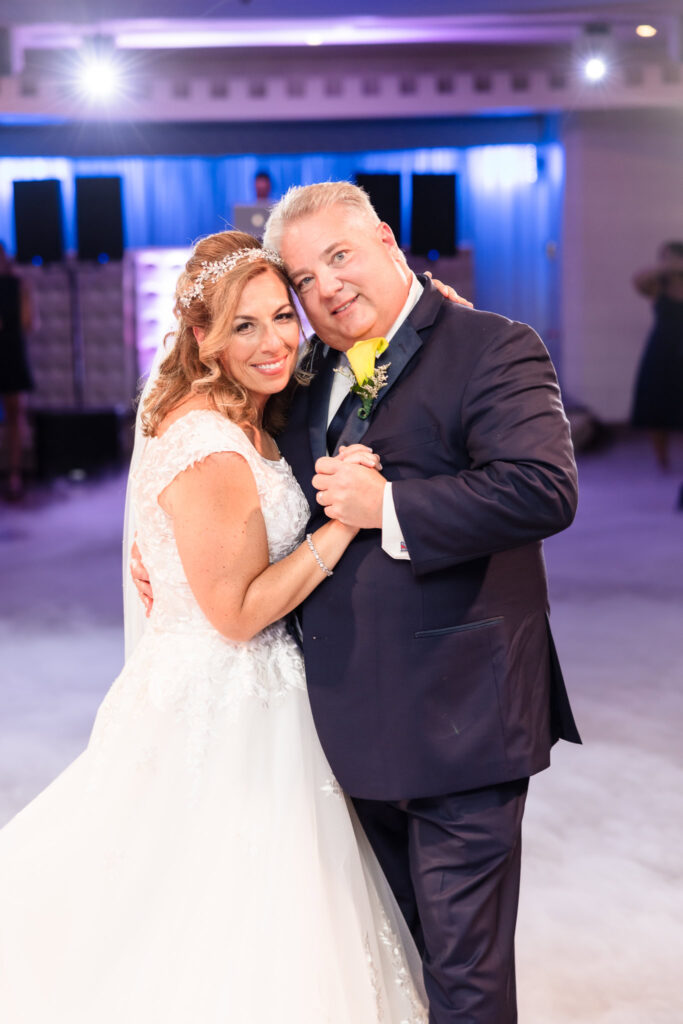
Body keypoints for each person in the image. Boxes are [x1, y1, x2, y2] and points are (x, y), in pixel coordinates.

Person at [134, 181, 581, 1022]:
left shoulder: (492, 345)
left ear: (385, 240)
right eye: (304, 279)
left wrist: (391, 510)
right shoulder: (298, 377)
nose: (326, 287)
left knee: (463, 975)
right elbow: (222, 465)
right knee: (384, 960)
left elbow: (542, 490)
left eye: (339, 256)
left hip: (462, 723)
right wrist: (163, 535)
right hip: (331, 726)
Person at [0, 231, 429, 1023]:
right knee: (211, 910)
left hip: (253, 690)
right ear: (201, 336)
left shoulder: (246, 409)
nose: (272, 343)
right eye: (243, 326)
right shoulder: (207, 442)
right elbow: (234, 615)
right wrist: (339, 527)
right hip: (223, 697)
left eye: (280, 317)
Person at [631, 240, 683, 470]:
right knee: (656, 404)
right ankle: (662, 460)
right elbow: (638, 281)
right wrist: (667, 267)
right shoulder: (657, 283)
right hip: (662, 349)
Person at [0, 242, 35, 501]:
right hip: (10, 351)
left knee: (16, 416)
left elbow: (27, 322)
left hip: (11, 352)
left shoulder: (18, 285)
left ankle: (15, 474)